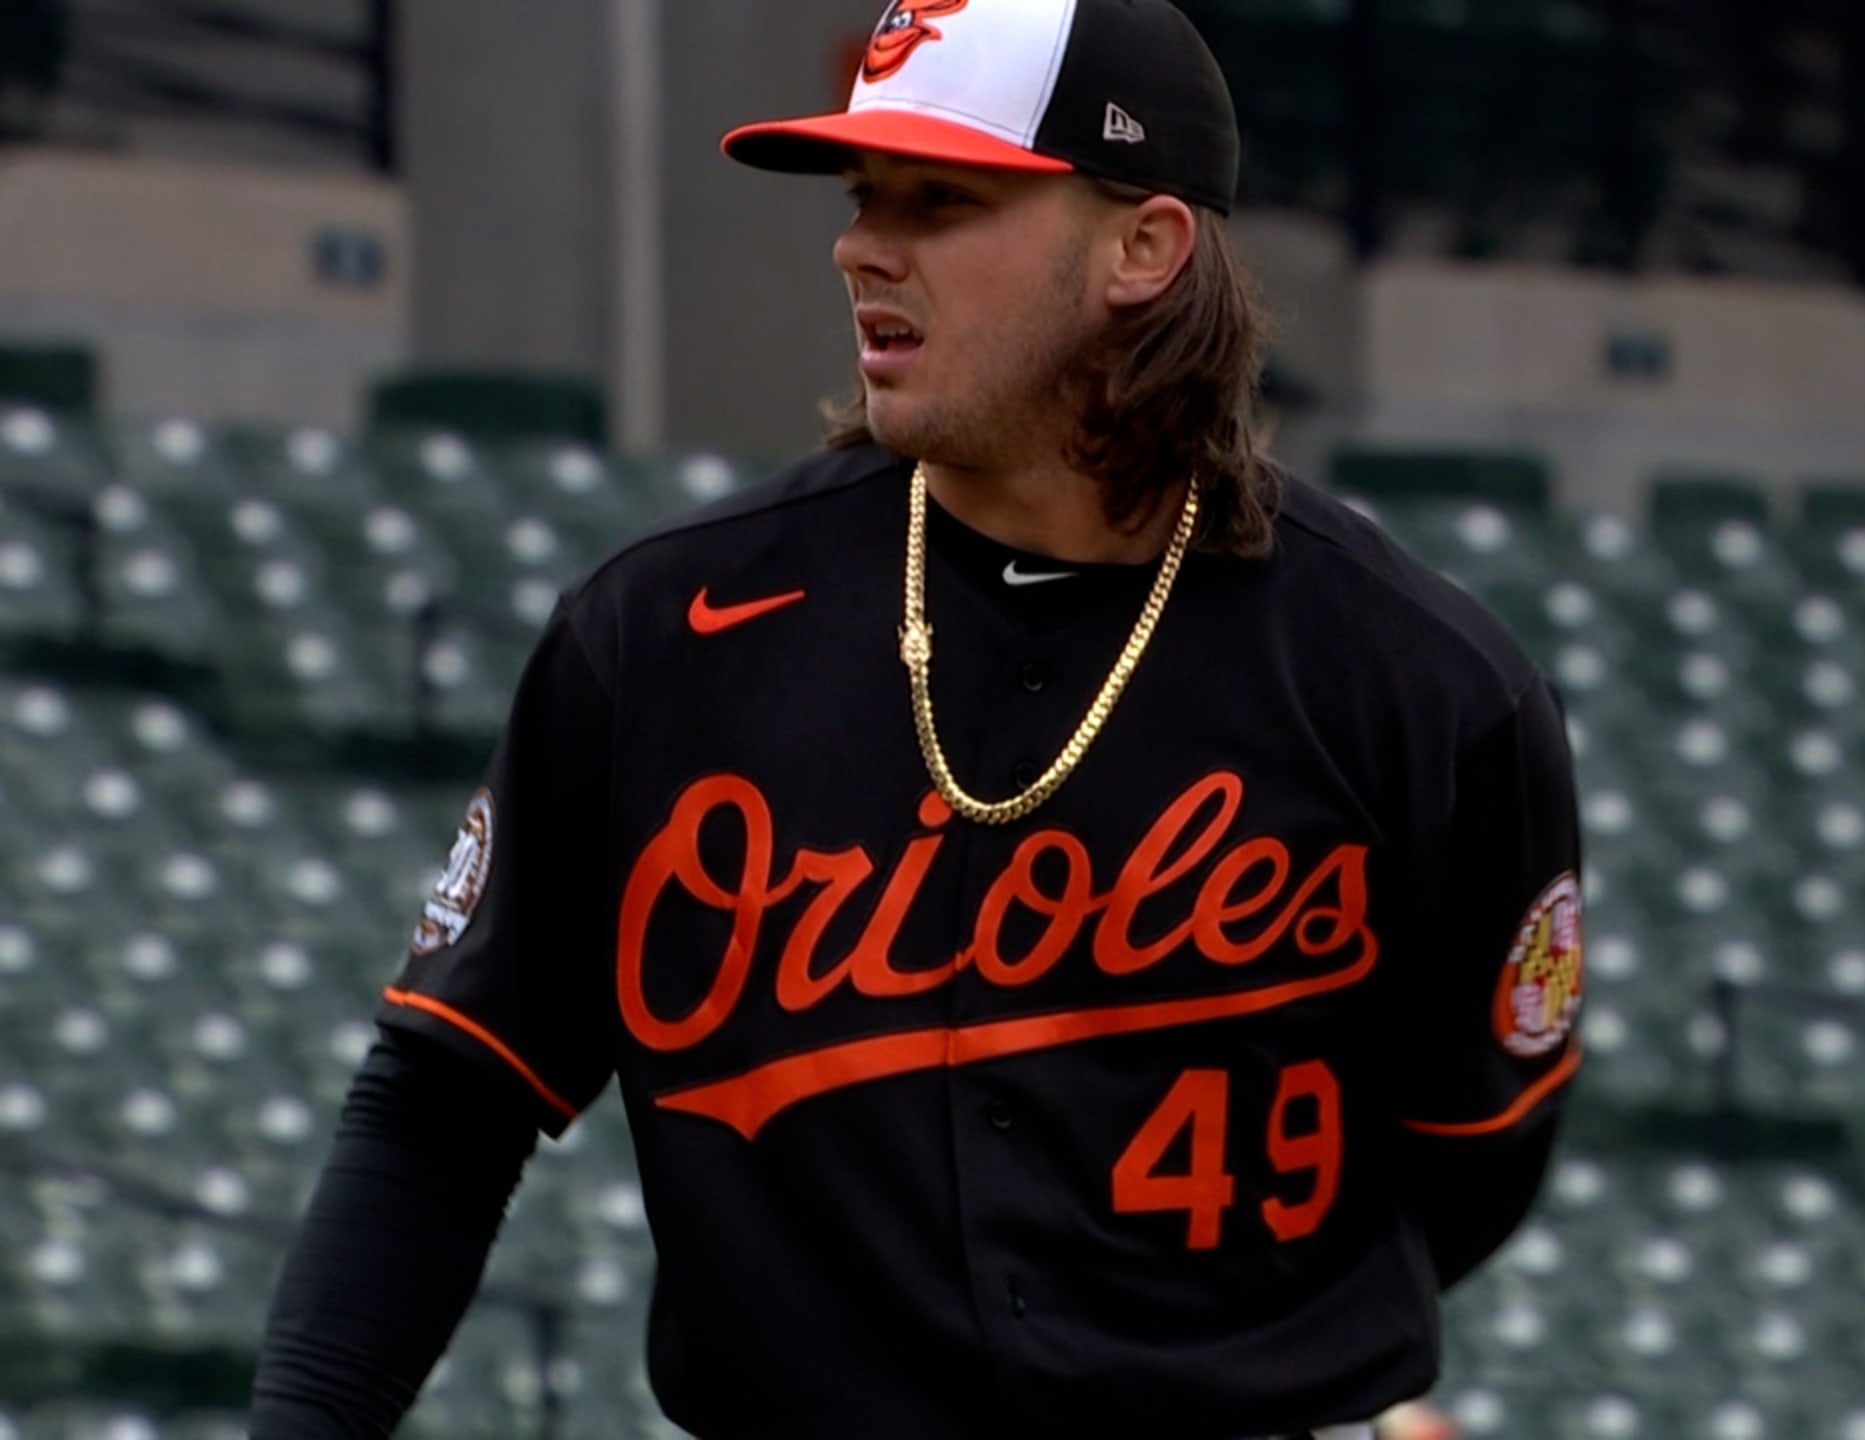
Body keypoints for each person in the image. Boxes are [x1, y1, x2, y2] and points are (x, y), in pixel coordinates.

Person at [250, 1, 1584, 1435]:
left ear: (1144, 248)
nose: (860, 249)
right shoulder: (664, 637)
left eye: (941, 201)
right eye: (862, 196)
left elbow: (1470, 1153)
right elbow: (446, 1103)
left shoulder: (1421, 686)